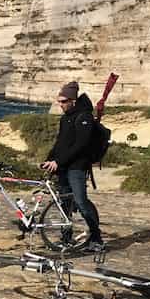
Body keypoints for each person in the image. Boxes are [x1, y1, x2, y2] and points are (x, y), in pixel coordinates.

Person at [40, 81, 105, 253]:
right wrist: (50, 159)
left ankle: (97, 238)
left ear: (72, 101)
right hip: (63, 167)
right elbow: (60, 143)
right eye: (59, 101)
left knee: (81, 202)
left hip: (77, 167)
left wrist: (59, 161)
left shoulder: (84, 117)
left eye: (63, 101)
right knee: (64, 204)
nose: (60, 105)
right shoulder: (65, 118)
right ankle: (66, 237)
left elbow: (80, 145)